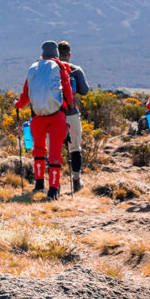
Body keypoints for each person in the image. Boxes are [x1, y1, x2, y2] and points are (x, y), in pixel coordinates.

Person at [14, 41, 75, 200]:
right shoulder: (60, 67)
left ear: (42, 53)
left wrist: (18, 105)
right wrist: (67, 106)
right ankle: (53, 189)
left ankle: (39, 183)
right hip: (57, 116)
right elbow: (67, 90)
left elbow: (26, 94)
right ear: (55, 53)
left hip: (37, 116)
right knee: (55, 151)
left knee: (39, 150)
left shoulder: (34, 68)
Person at [58, 40, 90, 192]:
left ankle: (54, 183)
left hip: (52, 114)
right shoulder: (75, 70)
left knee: (53, 150)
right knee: (75, 147)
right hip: (71, 113)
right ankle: (76, 180)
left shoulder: (49, 69)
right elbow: (85, 90)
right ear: (69, 54)